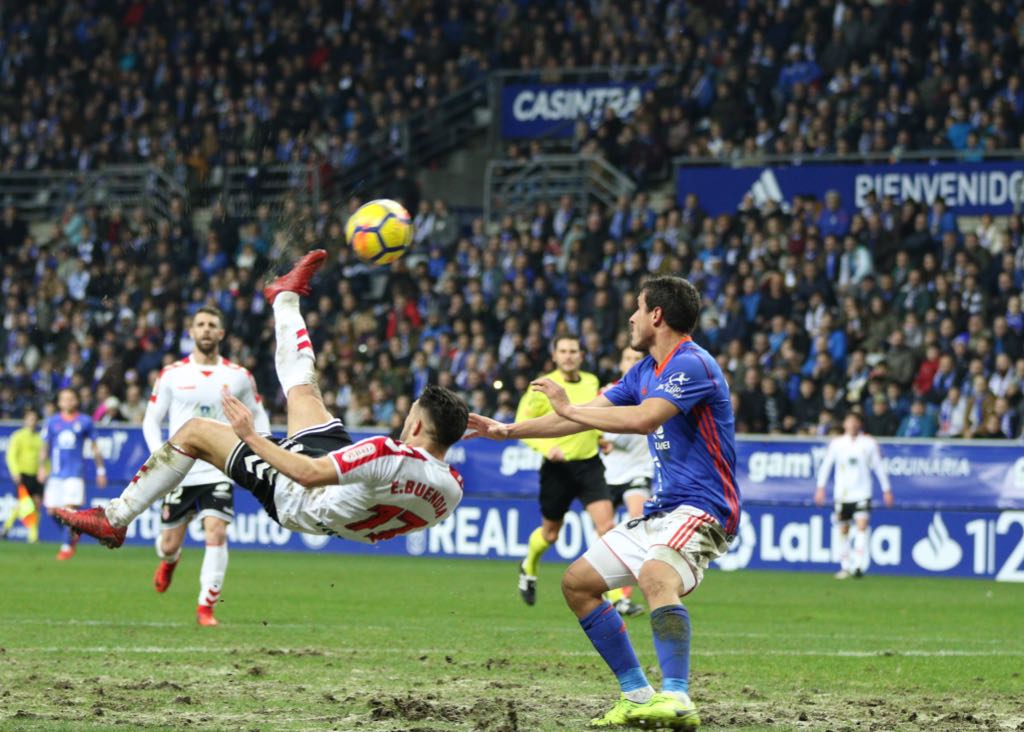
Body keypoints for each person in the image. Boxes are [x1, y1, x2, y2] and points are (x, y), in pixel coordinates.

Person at [56, 251, 468, 576]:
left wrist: (250, 435)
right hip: (349, 511)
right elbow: (418, 464)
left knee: (195, 431)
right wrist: (485, 427)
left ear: (413, 423)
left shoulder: (386, 453)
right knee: (303, 389)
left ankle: (115, 518)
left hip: (301, 496)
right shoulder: (451, 489)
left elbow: (307, 474)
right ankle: (285, 298)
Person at [469, 276, 739, 730]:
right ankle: (636, 695)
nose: (631, 317)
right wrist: (509, 430)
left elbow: (643, 418)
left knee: (655, 575)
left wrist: (570, 409)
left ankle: (676, 697)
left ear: (656, 315)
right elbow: (582, 416)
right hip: (664, 509)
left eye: (637, 308)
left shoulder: (693, 364)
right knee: (577, 583)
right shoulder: (642, 372)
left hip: (705, 507)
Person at [143, 306, 271, 627]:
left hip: (219, 467)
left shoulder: (238, 376)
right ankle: (170, 560)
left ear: (221, 334)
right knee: (169, 543)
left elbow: (259, 413)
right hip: (178, 469)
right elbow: (151, 419)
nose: (205, 329)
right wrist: (158, 454)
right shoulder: (172, 374)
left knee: (216, 532)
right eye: (200, 324)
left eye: (212, 324)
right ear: (191, 332)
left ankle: (206, 608)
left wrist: (264, 448)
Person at [515, 334, 614, 607]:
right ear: (555, 356)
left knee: (607, 526)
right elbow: (521, 425)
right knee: (550, 534)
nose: (569, 355)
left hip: (589, 464)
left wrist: (599, 438)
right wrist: (547, 449)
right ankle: (529, 566)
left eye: (573, 351)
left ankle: (614, 594)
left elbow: (588, 417)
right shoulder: (542, 386)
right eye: (564, 351)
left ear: (581, 355)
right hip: (557, 468)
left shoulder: (592, 381)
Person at [598, 347, 653, 618]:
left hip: (638, 470)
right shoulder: (608, 393)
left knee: (637, 524)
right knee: (605, 530)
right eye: (627, 359)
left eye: (636, 359)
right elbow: (598, 430)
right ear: (620, 363)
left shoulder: (652, 391)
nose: (631, 363)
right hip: (609, 473)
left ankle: (624, 596)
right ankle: (613, 593)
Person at [814, 412, 894, 579]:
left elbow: (878, 467)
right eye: (849, 421)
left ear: (860, 424)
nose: (852, 425)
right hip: (842, 494)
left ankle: (858, 564)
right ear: (844, 424)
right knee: (843, 529)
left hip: (862, 492)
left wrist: (886, 489)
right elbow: (826, 466)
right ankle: (845, 566)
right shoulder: (837, 444)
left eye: (855, 422)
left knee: (862, 526)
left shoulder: (869, 444)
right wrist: (820, 488)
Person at [39, 389, 108, 559]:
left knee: (69, 510)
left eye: (70, 399)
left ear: (76, 401)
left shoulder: (84, 421)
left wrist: (100, 470)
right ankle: (76, 530)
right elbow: (45, 446)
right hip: (56, 474)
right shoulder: (52, 422)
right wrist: (41, 466)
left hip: (74, 474)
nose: (67, 402)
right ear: (59, 402)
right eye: (64, 399)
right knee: (51, 511)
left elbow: (95, 447)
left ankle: (66, 547)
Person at [2, 408, 43, 543]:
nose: (32, 422)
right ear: (25, 420)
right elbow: (11, 455)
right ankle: (8, 527)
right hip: (23, 474)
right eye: (30, 419)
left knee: (36, 504)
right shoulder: (18, 436)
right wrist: (15, 471)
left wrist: (45, 470)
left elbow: (45, 458)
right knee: (25, 504)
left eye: (35, 419)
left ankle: (32, 536)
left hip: (36, 475)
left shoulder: (40, 438)